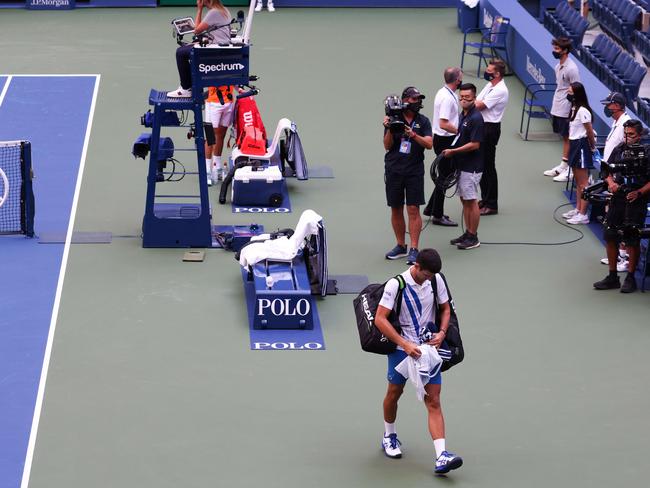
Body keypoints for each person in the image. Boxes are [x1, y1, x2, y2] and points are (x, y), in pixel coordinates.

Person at [375, 248, 463, 475]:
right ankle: (389, 436)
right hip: (401, 349)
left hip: (427, 351)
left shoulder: (437, 279)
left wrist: (442, 333)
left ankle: (442, 456)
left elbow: (445, 309)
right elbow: (380, 319)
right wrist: (404, 344)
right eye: (426, 274)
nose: (429, 279)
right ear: (417, 267)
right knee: (394, 393)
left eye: (432, 275)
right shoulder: (396, 285)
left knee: (433, 400)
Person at [593, 119, 650, 293]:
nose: (627, 137)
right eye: (625, 134)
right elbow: (605, 170)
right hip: (618, 198)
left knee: (632, 238)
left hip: (636, 199)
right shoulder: (619, 149)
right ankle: (612, 276)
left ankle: (631, 278)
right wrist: (610, 183)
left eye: (631, 134)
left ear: (639, 135)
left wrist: (639, 192)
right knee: (610, 234)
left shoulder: (647, 153)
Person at [383, 87, 433, 265]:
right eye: (414, 99)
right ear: (405, 100)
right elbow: (387, 146)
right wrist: (388, 128)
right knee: (396, 208)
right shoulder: (394, 119)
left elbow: (429, 144)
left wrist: (413, 135)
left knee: (413, 209)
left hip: (414, 171)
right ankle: (400, 246)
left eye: (419, 99)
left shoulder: (423, 121)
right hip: (394, 170)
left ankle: (414, 248)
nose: (417, 102)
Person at [442, 83, 484, 250]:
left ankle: (473, 237)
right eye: (462, 97)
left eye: (468, 97)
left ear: (474, 97)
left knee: (471, 201)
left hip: (472, 167)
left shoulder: (476, 118)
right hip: (463, 165)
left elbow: (475, 145)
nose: (464, 100)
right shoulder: (464, 115)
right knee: (464, 200)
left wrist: (454, 151)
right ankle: (468, 232)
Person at [167, 0, 232, 99]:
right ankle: (190, 86)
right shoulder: (225, 10)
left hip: (215, 51)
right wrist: (205, 40)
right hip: (221, 47)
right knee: (188, 47)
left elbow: (196, 30)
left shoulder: (213, 12)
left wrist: (199, 9)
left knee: (180, 52)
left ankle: (186, 88)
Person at [423, 67, 463, 227]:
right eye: (461, 78)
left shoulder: (444, 92)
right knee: (445, 178)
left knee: (444, 175)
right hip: (445, 140)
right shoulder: (447, 98)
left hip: (442, 139)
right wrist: (461, 130)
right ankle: (437, 215)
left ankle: (431, 209)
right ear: (457, 80)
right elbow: (444, 123)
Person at [598, 92, 631, 271]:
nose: (607, 108)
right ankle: (618, 253)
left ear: (617, 106)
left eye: (609, 104)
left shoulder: (626, 125)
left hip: (618, 179)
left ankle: (624, 257)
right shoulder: (617, 122)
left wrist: (615, 178)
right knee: (611, 214)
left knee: (622, 217)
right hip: (610, 175)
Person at [544, 37, 581, 182]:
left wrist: (573, 110)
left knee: (570, 137)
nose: (554, 51)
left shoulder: (572, 69)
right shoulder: (558, 66)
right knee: (565, 137)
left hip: (567, 108)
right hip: (558, 105)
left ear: (565, 50)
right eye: (554, 48)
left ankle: (571, 169)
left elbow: (576, 89)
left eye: (557, 49)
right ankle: (563, 165)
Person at [475, 59, 509, 216]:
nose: (486, 72)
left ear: (497, 74)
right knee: (481, 166)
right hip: (483, 126)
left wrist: (469, 102)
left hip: (490, 129)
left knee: (488, 167)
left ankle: (492, 204)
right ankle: (485, 199)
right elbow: (477, 99)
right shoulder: (490, 85)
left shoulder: (500, 90)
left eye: (489, 70)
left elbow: (479, 105)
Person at [561, 82, 596, 225]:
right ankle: (577, 209)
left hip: (582, 146)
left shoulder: (583, 111)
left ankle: (583, 214)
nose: (568, 93)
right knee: (578, 182)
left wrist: (592, 147)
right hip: (575, 145)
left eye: (570, 91)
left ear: (577, 94)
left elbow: (589, 131)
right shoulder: (574, 108)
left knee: (583, 183)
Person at [205, 85, 236, 185]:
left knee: (221, 135)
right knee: (210, 137)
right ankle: (207, 171)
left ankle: (217, 168)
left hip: (228, 102)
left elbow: (234, 74)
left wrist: (239, 89)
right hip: (213, 102)